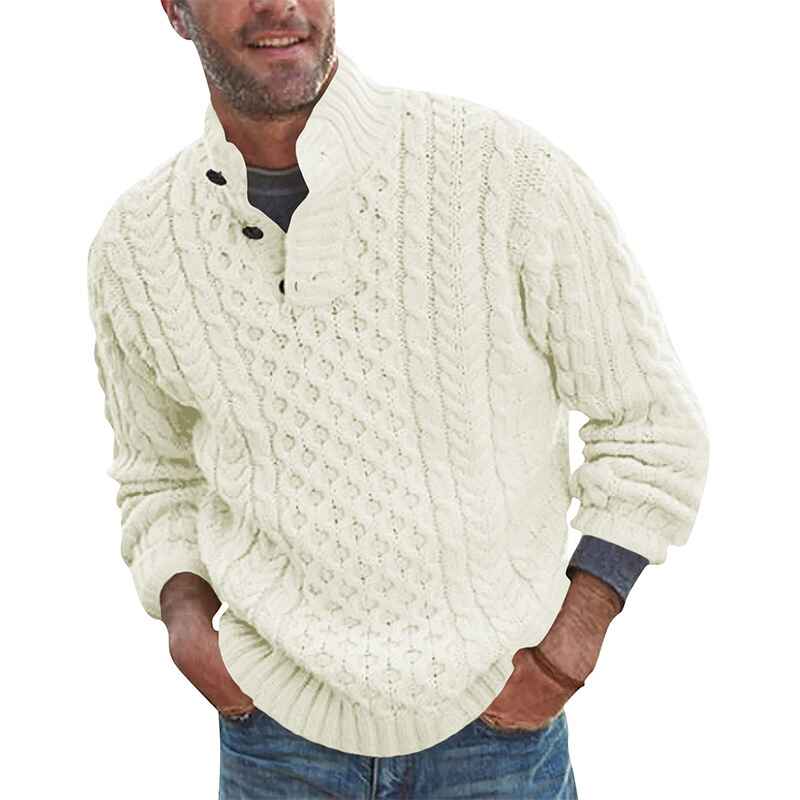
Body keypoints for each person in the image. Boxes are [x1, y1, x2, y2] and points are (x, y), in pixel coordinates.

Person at [86, 1, 710, 797]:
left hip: (497, 731)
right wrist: (185, 621)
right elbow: (157, 472)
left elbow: (652, 426)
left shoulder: (502, 174)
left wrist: (567, 651)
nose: (280, 4)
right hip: (273, 740)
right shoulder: (137, 245)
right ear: (175, 8)